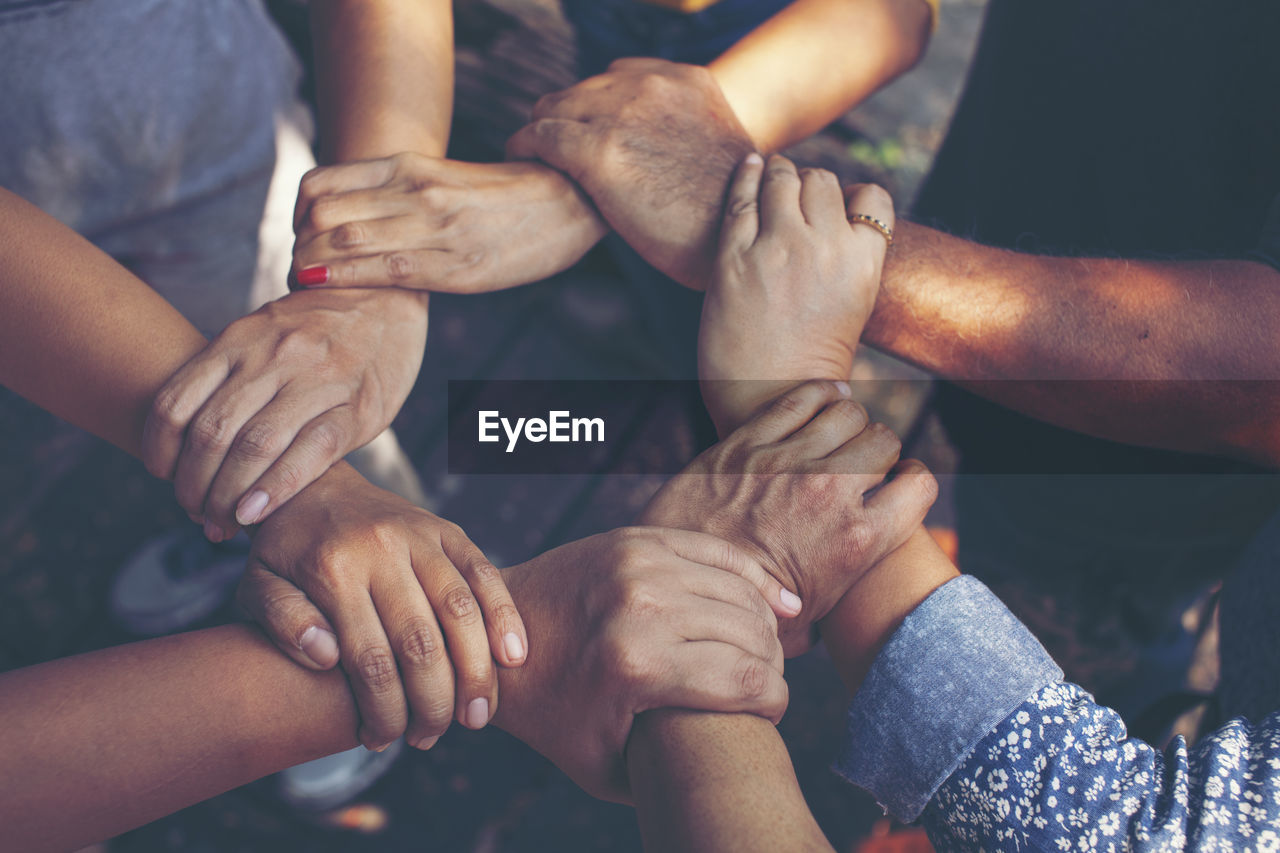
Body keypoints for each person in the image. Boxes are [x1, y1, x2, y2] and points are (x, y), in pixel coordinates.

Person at [620, 154, 1280, 853]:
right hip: (1204, 617)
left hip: (1137, 531)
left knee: (1100, 632)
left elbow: (1110, 830)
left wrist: (783, 403)